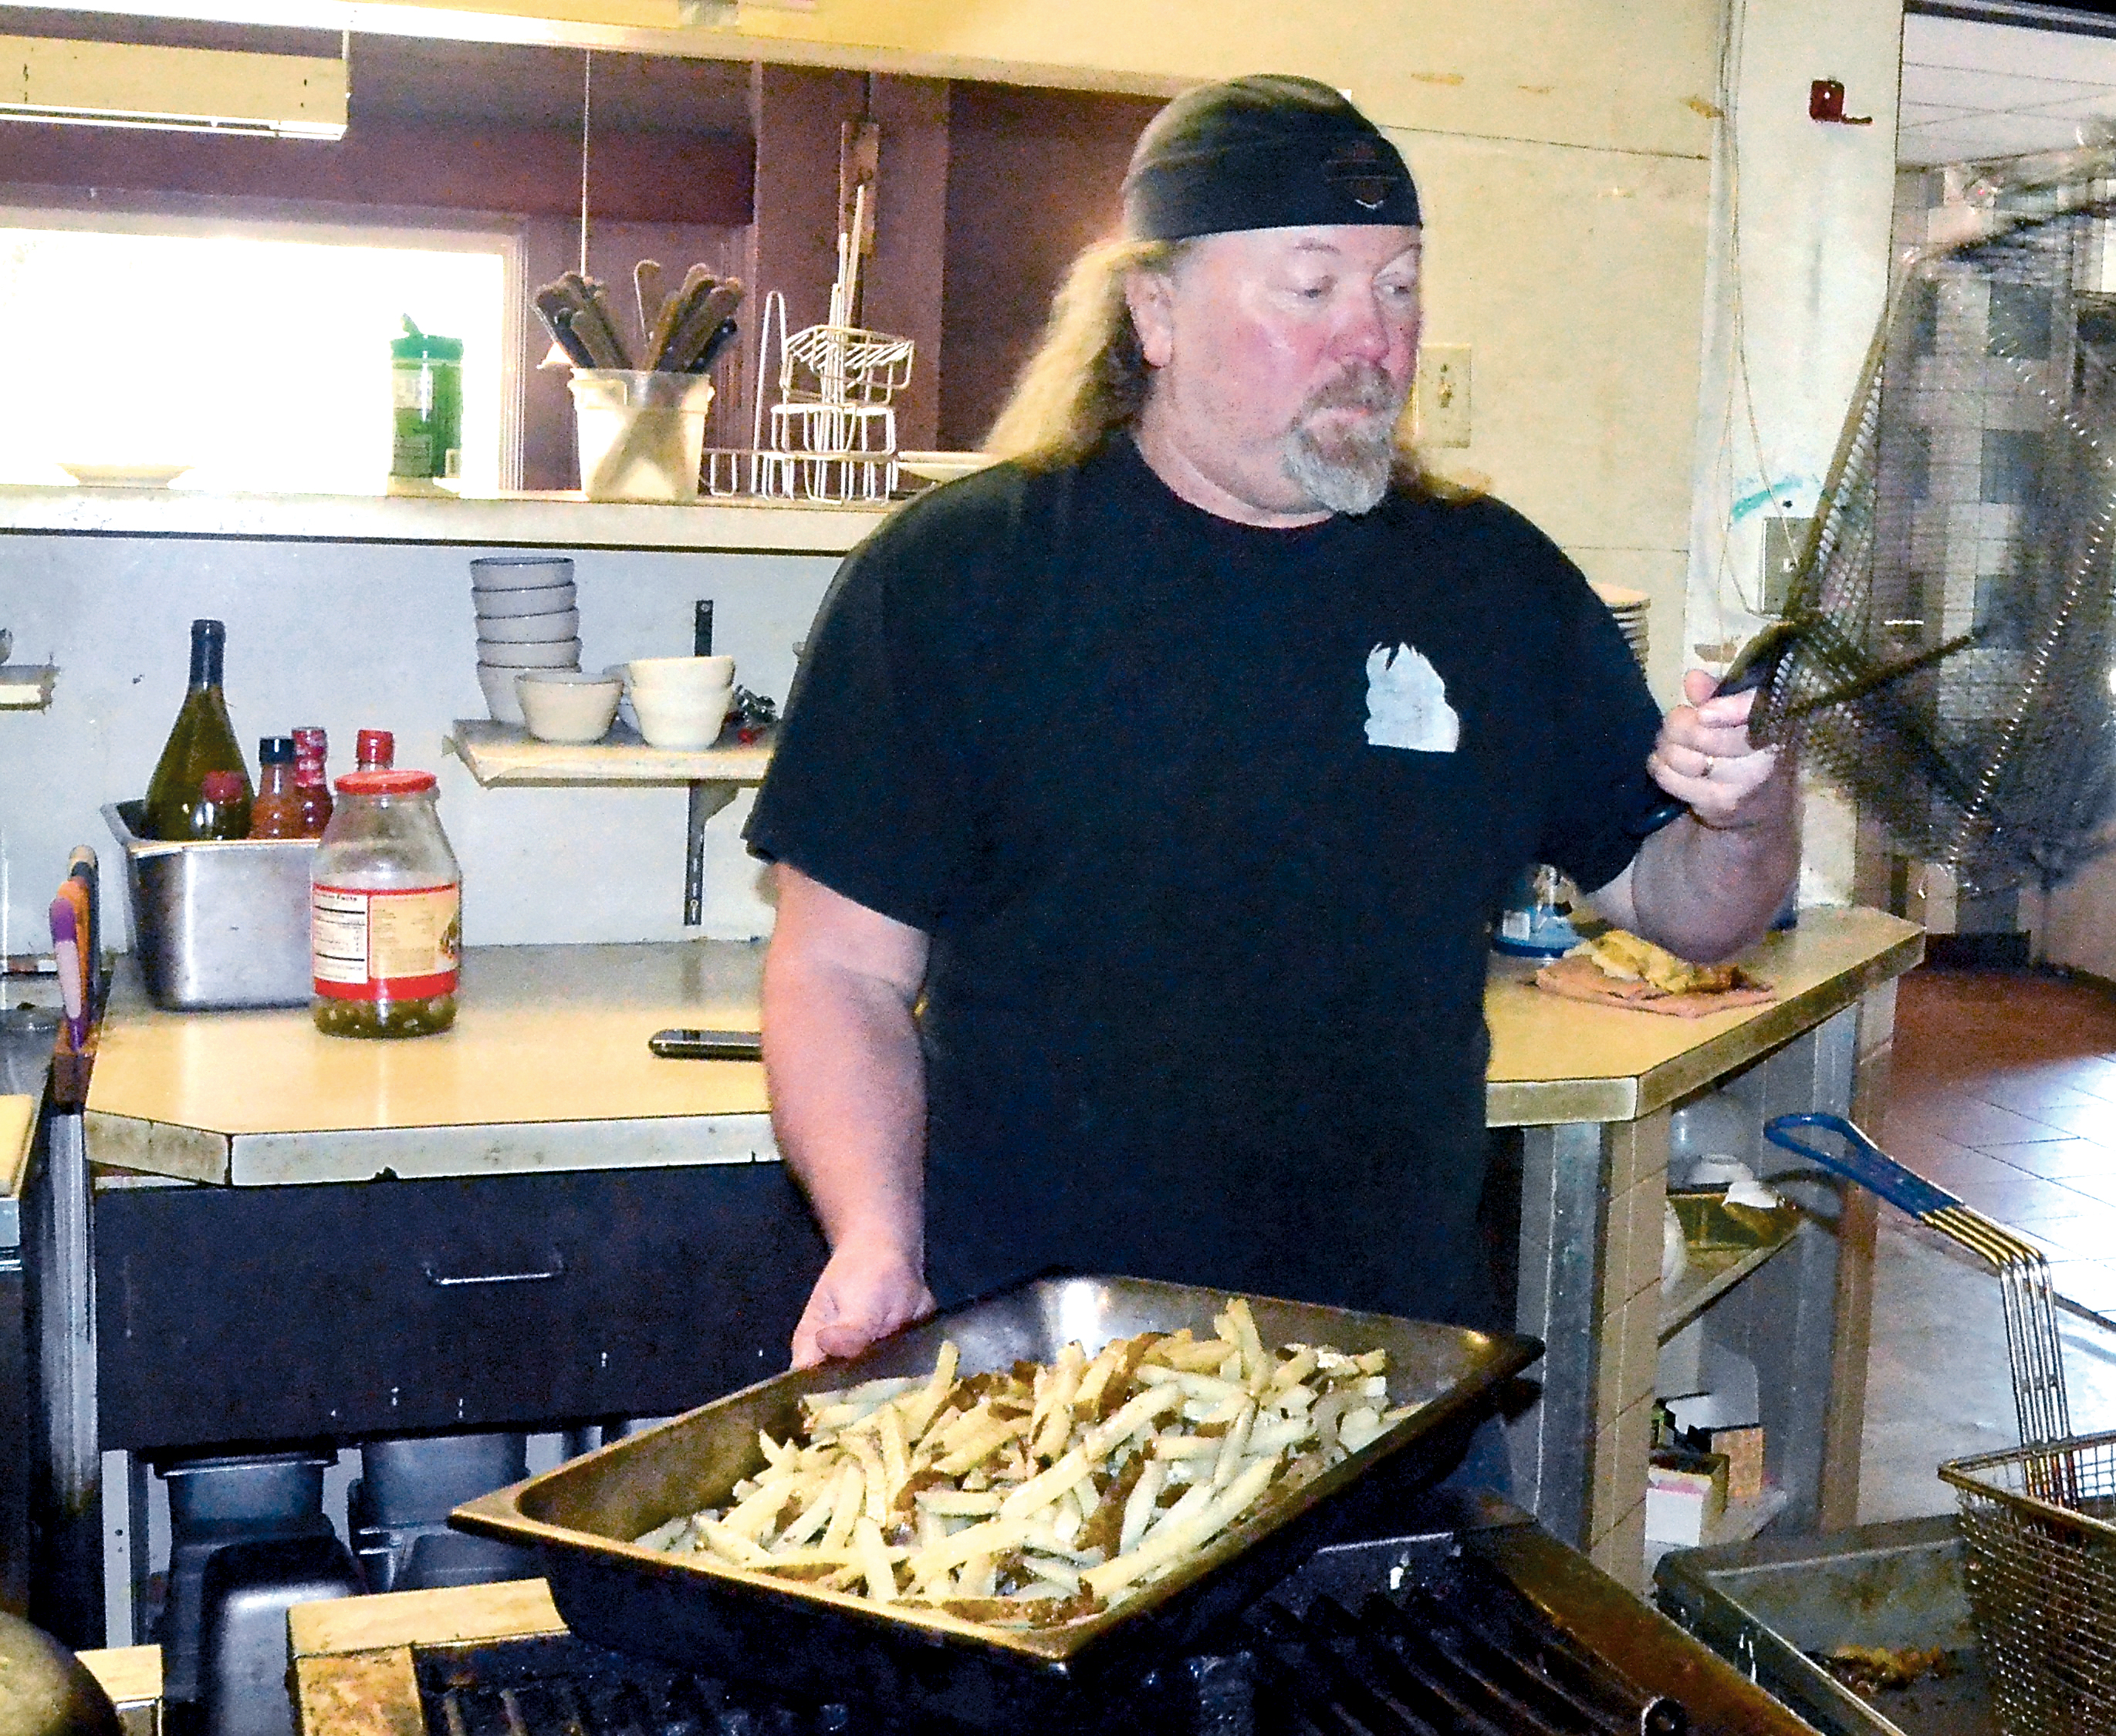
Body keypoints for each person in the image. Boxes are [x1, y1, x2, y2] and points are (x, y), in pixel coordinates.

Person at [745, 75, 1798, 1375]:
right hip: (1039, 1367)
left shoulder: (1493, 585)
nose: (1375, 337)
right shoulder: (962, 577)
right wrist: (872, 1239)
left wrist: (1747, 808)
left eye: (1400, 286)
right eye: (1312, 288)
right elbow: (836, 971)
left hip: (1385, 1372)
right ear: (1156, 310)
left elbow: (1691, 907)